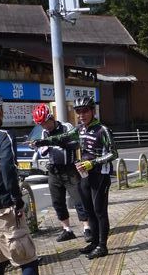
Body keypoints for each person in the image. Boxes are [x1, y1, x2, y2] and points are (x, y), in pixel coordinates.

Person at [0, 92, 72, 275]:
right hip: (4, 211)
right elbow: (7, 170)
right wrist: (17, 201)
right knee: (27, 259)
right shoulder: (3, 136)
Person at [46, 96, 117, 259]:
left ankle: (102, 246)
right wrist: (41, 142)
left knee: (99, 211)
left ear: (93, 111)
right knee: (89, 210)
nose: (81, 115)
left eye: (85, 111)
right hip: (84, 174)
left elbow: (114, 153)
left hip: (101, 175)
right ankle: (94, 242)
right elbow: (61, 138)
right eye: (78, 112)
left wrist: (93, 163)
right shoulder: (80, 129)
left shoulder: (102, 130)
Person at [29, 103, 92, 243]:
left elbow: (76, 143)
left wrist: (57, 142)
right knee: (57, 201)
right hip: (54, 171)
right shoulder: (44, 133)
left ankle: (87, 228)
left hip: (69, 169)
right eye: (41, 124)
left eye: (46, 122)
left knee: (79, 200)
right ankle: (67, 230)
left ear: (51, 117)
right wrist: (37, 145)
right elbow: (43, 152)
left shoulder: (66, 127)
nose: (45, 126)